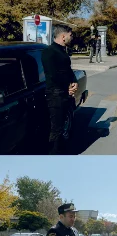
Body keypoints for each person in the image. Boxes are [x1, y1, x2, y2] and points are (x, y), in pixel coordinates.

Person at [42, 24, 78, 155]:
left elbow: (67, 70)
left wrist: (74, 81)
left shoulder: (63, 51)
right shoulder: (49, 51)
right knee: (56, 128)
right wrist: (66, 88)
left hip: (64, 93)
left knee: (64, 124)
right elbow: (52, 75)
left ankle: (62, 149)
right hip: (55, 94)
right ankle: (54, 153)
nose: (71, 37)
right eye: (70, 35)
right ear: (63, 36)